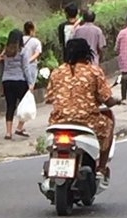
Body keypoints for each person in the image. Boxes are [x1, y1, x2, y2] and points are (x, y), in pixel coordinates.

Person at [46, 37, 121, 172]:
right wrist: (116, 101)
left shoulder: (56, 72)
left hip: (59, 121)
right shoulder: (94, 72)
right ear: (87, 53)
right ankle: (101, 168)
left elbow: (50, 98)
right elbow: (107, 100)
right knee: (108, 124)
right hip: (87, 122)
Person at [0, 29, 33, 139]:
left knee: (10, 106)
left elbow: (2, 67)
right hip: (20, 81)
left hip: (7, 81)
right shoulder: (22, 51)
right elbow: (26, 68)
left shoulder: (5, 51)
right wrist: (30, 83)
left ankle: (8, 132)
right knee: (25, 106)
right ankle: (19, 127)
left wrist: (1, 82)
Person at [16, 21, 43, 136]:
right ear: (32, 29)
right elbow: (37, 53)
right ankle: (20, 126)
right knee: (27, 96)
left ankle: (19, 124)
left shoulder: (19, 40)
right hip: (31, 69)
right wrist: (28, 61)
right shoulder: (35, 41)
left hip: (18, 70)